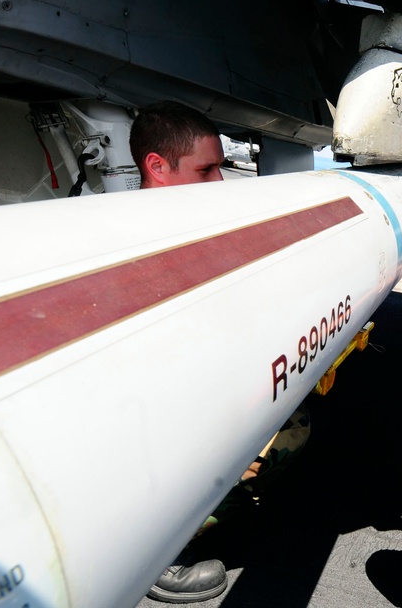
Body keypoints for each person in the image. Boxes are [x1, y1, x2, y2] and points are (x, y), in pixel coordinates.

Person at [130, 100, 312, 603]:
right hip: (146, 424)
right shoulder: (138, 243)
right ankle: (154, 551)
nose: (219, 183)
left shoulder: (152, 222)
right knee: (287, 436)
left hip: (172, 400)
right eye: (206, 170)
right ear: (157, 167)